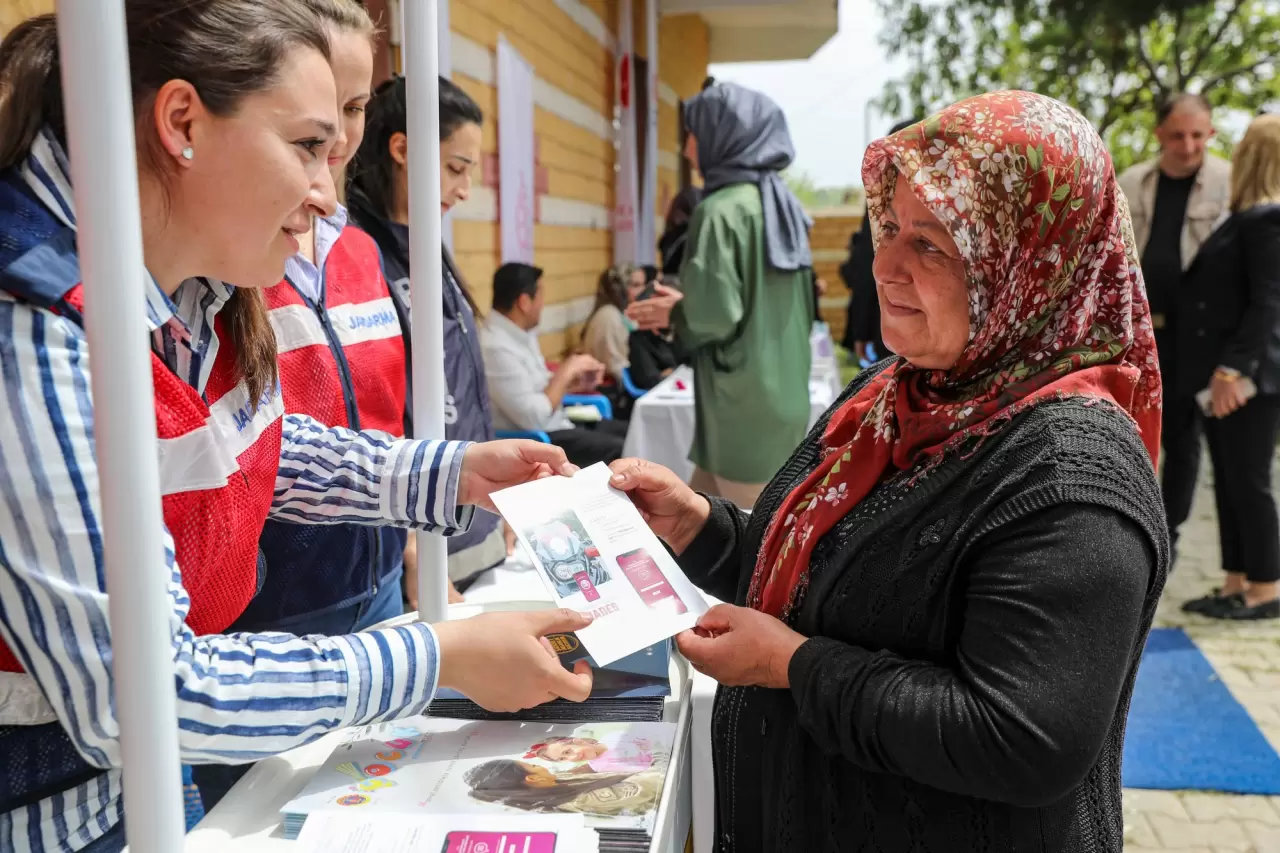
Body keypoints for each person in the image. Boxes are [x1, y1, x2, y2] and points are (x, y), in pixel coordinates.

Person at [0, 7, 592, 851]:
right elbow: (142, 695)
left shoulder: (188, 290)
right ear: (182, 122)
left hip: (132, 789)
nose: (327, 194)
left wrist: (448, 472)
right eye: (309, 144)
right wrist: (438, 657)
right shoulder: (33, 330)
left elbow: (256, 450)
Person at [609, 91, 1168, 851]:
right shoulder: (898, 393)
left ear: (1028, 265)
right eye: (891, 228)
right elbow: (837, 577)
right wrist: (699, 527)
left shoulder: (1073, 476)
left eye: (931, 244)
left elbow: (1021, 737)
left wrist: (791, 666)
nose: (885, 265)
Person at [347, 74, 509, 599]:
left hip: (471, 526)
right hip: (419, 547)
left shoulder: (424, 246)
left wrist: (501, 509)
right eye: (455, 168)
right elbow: (364, 412)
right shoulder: (356, 251)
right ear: (401, 150)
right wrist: (413, 550)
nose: (464, 190)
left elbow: (463, 387)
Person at [676, 81, 815, 508]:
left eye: (693, 134)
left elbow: (712, 317)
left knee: (756, 540)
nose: (686, 149)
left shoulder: (720, 211)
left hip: (742, 411)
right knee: (694, 525)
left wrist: (674, 315)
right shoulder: (783, 206)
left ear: (722, 137)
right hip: (782, 397)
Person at [1118, 93, 1231, 561]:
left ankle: (1170, 536)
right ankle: (1126, 527)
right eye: (1178, 135)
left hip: (1196, 335)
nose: (1188, 146)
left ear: (1211, 133)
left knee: (1183, 438)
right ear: (1159, 133)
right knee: (1130, 430)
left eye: (1198, 136)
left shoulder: (1228, 183)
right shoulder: (1132, 182)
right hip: (1140, 330)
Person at [1176, 114, 1280, 620]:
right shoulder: (1247, 217)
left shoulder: (1267, 218)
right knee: (1232, 482)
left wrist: (1234, 371)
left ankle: (1266, 589)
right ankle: (1236, 581)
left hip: (1247, 380)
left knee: (1249, 483)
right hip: (1227, 375)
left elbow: (1270, 302)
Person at [480, 262, 628, 468]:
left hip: (559, 422)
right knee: (624, 449)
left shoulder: (519, 333)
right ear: (524, 302)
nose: (542, 305)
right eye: (541, 297)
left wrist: (575, 383)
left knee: (632, 432)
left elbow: (541, 386)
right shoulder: (495, 346)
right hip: (537, 439)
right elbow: (533, 418)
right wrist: (567, 370)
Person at [840, 118, 919, 363]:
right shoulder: (950, 202)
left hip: (895, 324)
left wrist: (861, 330)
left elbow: (868, 263)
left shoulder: (884, 200)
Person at [580, 263, 644, 384]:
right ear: (620, 288)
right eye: (636, 285)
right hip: (612, 385)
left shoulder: (623, 313)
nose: (643, 290)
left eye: (643, 284)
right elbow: (614, 365)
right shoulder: (608, 316)